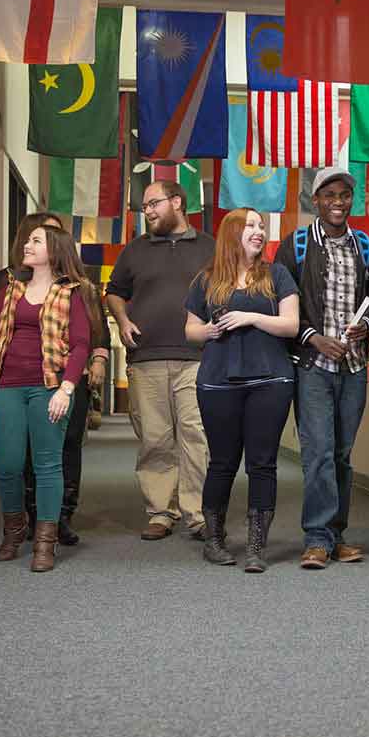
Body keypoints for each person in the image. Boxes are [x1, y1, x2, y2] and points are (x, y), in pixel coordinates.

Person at [275, 167, 369, 570]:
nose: (338, 202)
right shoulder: (296, 246)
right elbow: (279, 301)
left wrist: (368, 323)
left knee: (341, 453)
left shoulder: (365, 246)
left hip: (354, 367)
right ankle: (317, 538)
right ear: (316, 200)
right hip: (312, 366)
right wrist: (312, 337)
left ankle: (336, 535)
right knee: (319, 452)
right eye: (330, 195)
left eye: (344, 195)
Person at [0, 214, 109, 546]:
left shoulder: (73, 292)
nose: (27, 245)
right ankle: (15, 529)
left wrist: (67, 387)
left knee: (50, 460)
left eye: (36, 241)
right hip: (9, 385)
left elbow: (82, 342)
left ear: (55, 249)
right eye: (29, 239)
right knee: (8, 464)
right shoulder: (8, 288)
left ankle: (47, 537)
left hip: (50, 384)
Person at [184, 208, 299, 572]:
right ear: (232, 233)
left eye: (261, 226)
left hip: (271, 380)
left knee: (262, 463)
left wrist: (251, 317)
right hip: (218, 381)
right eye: (250, 225)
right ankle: (214, 540)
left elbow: (291, 325)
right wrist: (208, 331)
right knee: (222, 462)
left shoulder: (277, 275)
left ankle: (256, 547)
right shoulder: (206, 279)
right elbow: (191, 330)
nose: (258, 231)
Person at [105, 180, 214, 541]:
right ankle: (161, 512)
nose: (147, 211)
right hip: (146, 357)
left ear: (177, 202)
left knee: (195, 435)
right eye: (145, 206)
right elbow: (114, 292)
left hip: (197, 357)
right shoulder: (135, 250)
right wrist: (122, 320)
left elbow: (227, 290)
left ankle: (197, 513)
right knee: (154, 438)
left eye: (154, 203)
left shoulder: (210, 247)